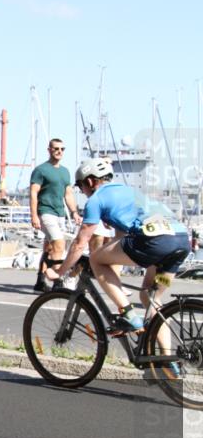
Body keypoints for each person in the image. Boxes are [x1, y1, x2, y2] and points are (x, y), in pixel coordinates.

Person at [45, 158, 190, 375]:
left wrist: (60, 270)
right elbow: (122, 240)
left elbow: (79, 243)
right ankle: (168, 361)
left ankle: (129, 315)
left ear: (91, 181)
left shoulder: (96, 199)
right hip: (179, 244)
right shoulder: (128, 191)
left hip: (155, 243)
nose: (81, 191)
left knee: (95, 258)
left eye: (81, 186)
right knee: (151, 298)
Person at [29, 138, 81, 292]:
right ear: (49, 150)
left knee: (49, 248)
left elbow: (69, 194)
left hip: (60, 214)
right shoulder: (41, 170)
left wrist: (74, 212)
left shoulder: (65, 171)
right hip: (45, 212)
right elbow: (33, 193)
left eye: (62, 149)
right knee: (59, 244)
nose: (59, 151)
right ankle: (58, 281)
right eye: (56, 148)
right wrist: (34, 216)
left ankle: (40, 280)